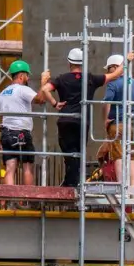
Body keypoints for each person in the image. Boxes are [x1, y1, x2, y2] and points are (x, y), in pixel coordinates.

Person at [43, 48, 121, 187]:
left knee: (69, 154)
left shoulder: (61, 78)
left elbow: (45, 90)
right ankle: (71, 184)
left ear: (69, 63)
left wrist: (55, 103)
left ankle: (70, 183)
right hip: (82, 122)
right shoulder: (90, 78)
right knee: (78, 154)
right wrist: (127, 60)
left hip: (65, 121)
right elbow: (114, 75)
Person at [0, 59, 54, 185]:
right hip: (21, 132)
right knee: (27, 168)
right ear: (22, 76)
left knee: (10, 168)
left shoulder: (2, 93)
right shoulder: (22, 89)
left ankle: (11, 200)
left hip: (6, 133)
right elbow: (39, 99)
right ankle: (27, 201)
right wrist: (43, 82)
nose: (28, 78)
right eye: (27, 75)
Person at [99, 53, 134, 184]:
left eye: (109, 68)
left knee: (118, 156)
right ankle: (132, 188)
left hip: (118, 124)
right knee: (131, 157)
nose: (108, 71)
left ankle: (121, 186)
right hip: (133, 126)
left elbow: (106, 102)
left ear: (115, 67)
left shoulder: (112, 83)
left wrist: (106, 119)